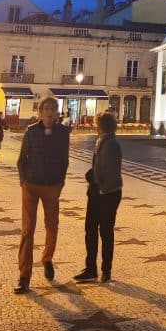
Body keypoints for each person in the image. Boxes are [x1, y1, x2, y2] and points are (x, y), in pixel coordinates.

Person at [14, 96, 70, 294]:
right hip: (31, 185)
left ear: (57, 112)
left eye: (53, 108)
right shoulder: (31, 132)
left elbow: (65, 160)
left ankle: (47, 257)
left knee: (52, 224)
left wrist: (60, 182)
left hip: (52, 185)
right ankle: (24, 275)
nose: (49, 111)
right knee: (28, 229)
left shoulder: (63, 132)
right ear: (40, 112)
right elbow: (21, 159)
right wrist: (24, 182)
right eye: (46, 108)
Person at [74, 111, 122, 284]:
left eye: (97, 124)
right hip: (99, 192)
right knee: (93, 230)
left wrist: (92, 177)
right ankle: (92, 268)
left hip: (106, 194)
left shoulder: (110, 144)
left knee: (104, 232)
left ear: (100, 125)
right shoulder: (104, 141)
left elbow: (107, 170)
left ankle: (103, 270)